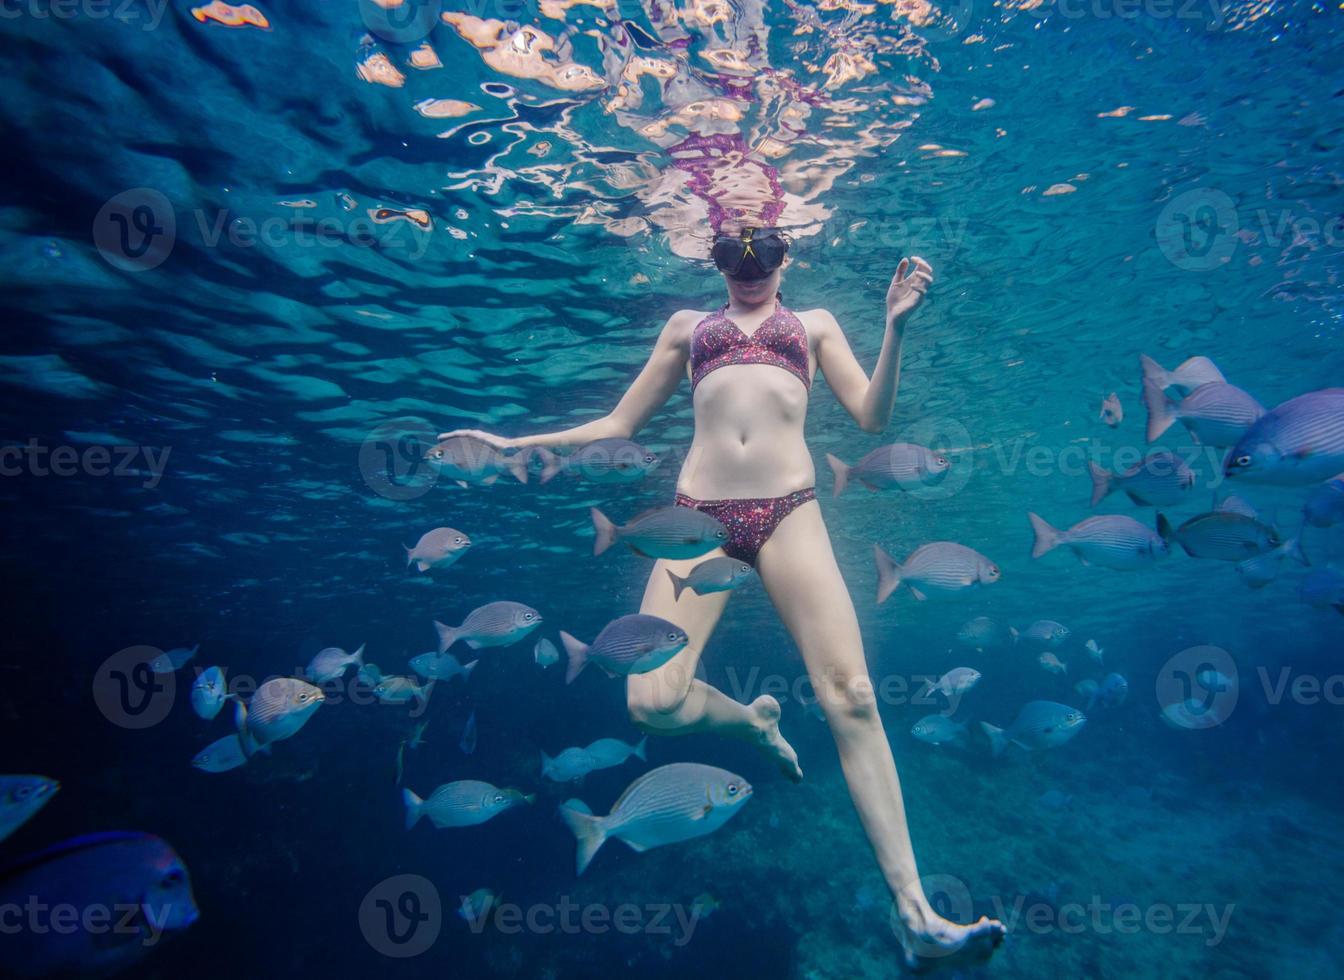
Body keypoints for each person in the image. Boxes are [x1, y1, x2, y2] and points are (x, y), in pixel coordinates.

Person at [438, 226, 1005, 971]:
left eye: (765, 255)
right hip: (695, 522)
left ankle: (915, 914)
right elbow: (618, 425)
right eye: (731, 258)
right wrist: (515, 445)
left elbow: (871, 418)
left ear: (787, 256)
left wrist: (895, 327)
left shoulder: (815, 326)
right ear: (711, 262)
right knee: (648, 704)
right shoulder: (687, 329)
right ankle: (756, 729)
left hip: (789, 511)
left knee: (854, 697)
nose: (749, 271)